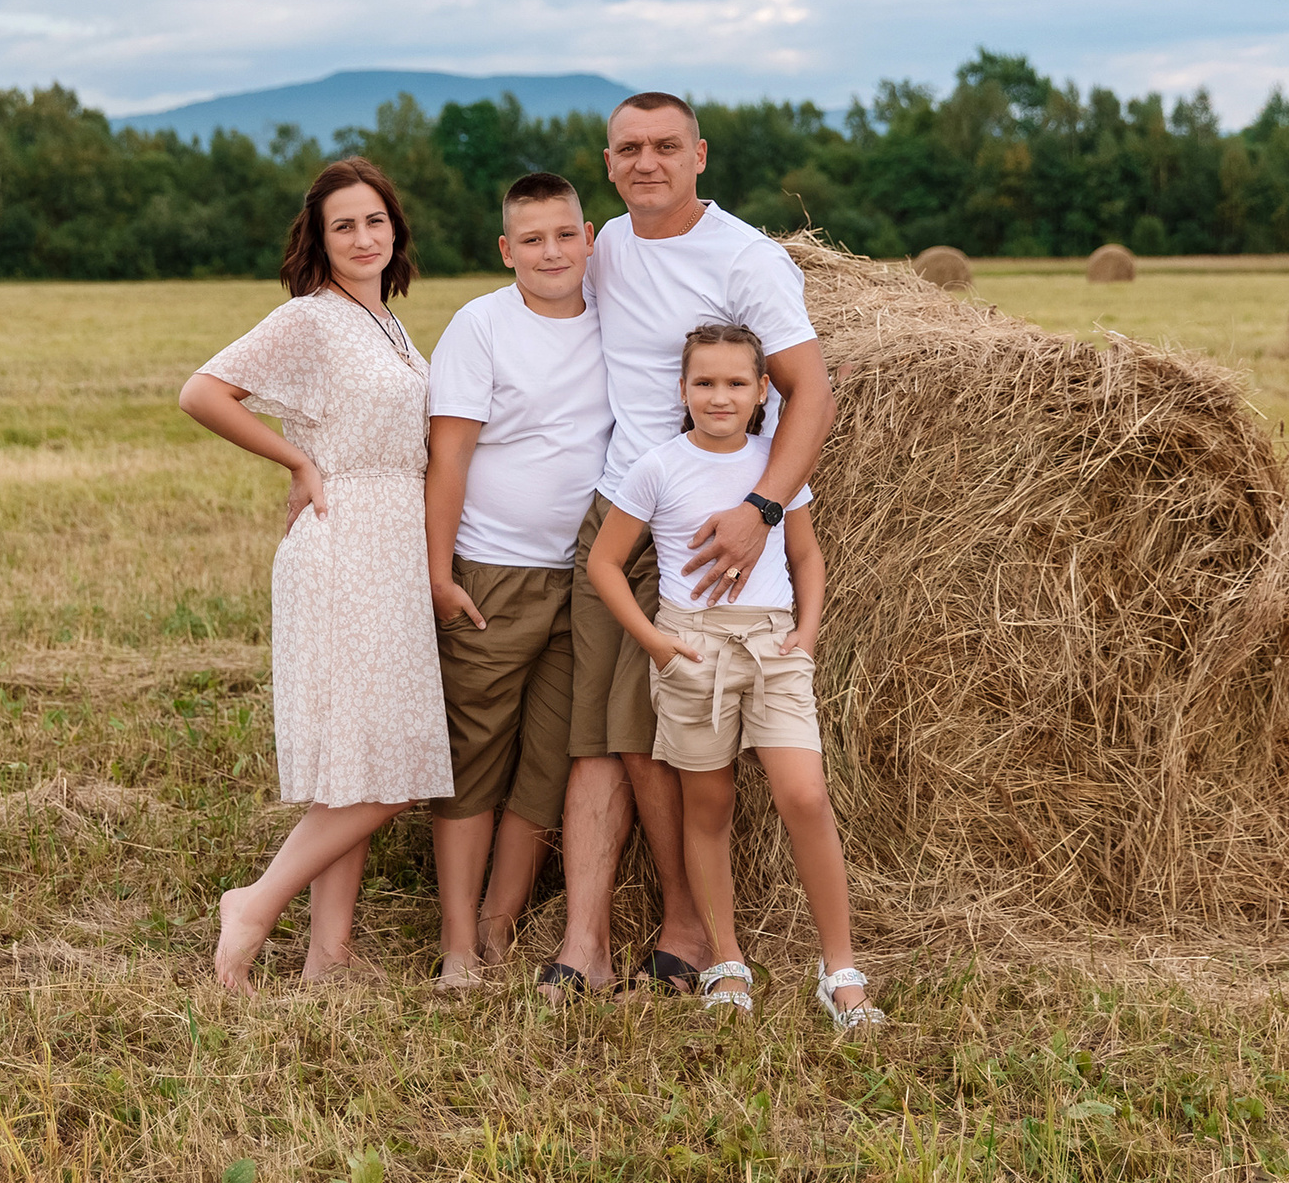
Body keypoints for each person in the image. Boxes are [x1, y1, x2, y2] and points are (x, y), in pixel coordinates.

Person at [543, 90, 838, 1003]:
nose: (647, 162)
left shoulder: (744, 256)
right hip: (625, 503)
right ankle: (598, 934)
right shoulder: (609, 247)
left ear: (700, 154)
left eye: (666, 146)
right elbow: (534, 281)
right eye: (628, 148)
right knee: (611, 733)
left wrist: (761, 506)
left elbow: (811, 392)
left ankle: (688, 928)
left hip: (723, 520)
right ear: (607, 163)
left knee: (673, 740)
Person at [177, 157, 453, 992]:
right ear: (319, 238)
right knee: (393, 767)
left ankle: (327, 959)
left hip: (393, 539)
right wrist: (296, 458)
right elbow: (203, 392)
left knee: (359, 759)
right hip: (344, 542)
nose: (364, 237)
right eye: (344, 225)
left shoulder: (391, 326)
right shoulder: (310, 318)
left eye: (375, 220)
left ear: (395, 228)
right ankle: (254, 902)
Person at [587, 324, 880, 1027]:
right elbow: (604, 563)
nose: (720, 396)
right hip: (692, 650)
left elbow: (805, 556)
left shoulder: (778, 464)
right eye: (705, 383)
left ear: (761, 394)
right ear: (684, 391)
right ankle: (726, 961)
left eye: (736, 383)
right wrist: (658, 644)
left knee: (804, 794)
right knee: (708, 806)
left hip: (771, 644)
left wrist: (804, 634)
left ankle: (839, 966)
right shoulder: (658, 466)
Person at [422, 171, 609, 988]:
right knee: (475, 753)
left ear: (590, 237)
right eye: (532, 239)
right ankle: (458, 943)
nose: (551, 251)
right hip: (492, 570)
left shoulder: (617, 322)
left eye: (564, 234)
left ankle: (501, 927)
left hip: (586, 576)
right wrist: (438, 572)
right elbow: (449, 458)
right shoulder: (481, 326)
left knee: (549, 758)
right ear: (507, 250)